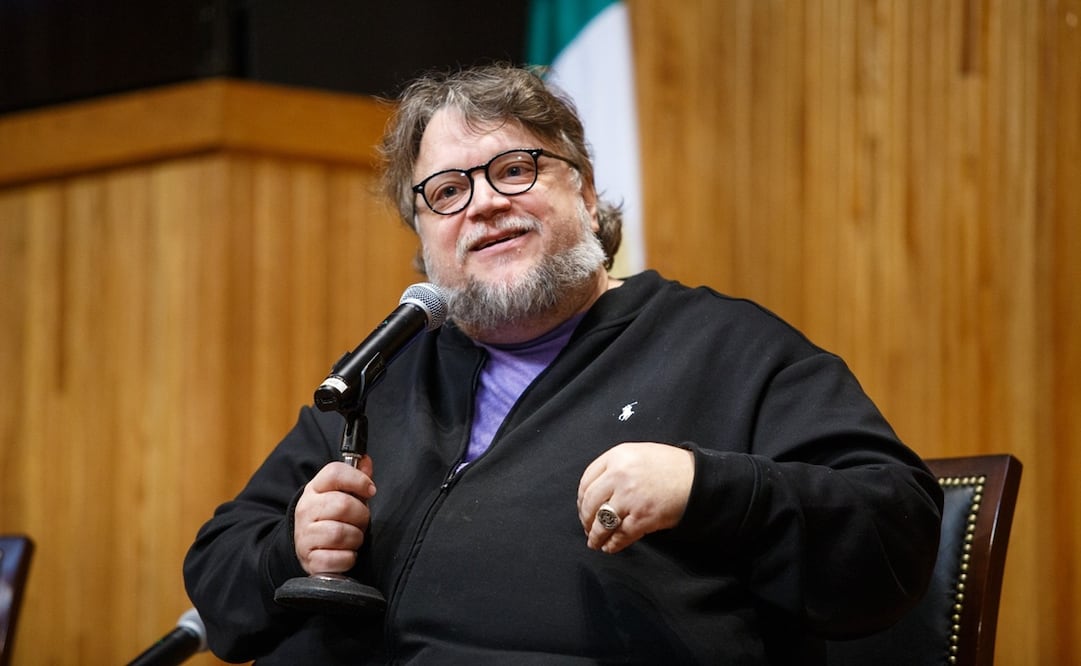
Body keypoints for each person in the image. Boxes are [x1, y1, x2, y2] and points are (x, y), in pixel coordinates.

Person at [183, 63, 943, 664]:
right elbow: (220, 580)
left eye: (514, 169)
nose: (481, 203)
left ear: (580, 188)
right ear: (421, 238)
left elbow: (894, 536)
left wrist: (708, 487)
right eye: (445, 191)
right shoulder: (387, 375)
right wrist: (290, 546)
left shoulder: (726, 348)